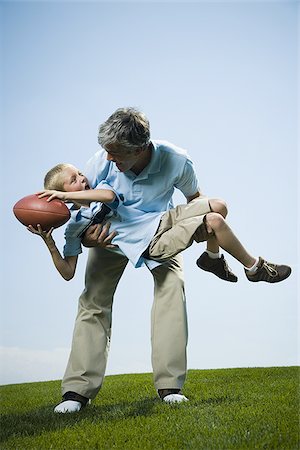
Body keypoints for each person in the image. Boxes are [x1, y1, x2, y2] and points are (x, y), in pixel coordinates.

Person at [33, 108, 291, 413]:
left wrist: (205, 232)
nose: (108, 158)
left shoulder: (176, 160)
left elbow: (196, 199)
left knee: (172, 288)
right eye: (107, 151)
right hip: (110, 234)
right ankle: (77, 392)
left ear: (139, 149)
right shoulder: (102, 159)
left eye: (116, 153)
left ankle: (170, 386)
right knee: (93, 301)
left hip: (158, 229)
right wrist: (84, 238)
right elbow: (83, 203)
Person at [31, 164, 291, 286]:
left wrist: (68, 195)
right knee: (215, 221)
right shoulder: (74, 226)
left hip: (160, 220)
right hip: (152, 244)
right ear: (61, 194)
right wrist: (49, 242)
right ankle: (254, 268)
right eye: (73, 180)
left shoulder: (101, 188)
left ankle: (212, 258)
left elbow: (109, 197)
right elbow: (68, 273)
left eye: (79, 173)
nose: (82, 177)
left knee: (219, 205)